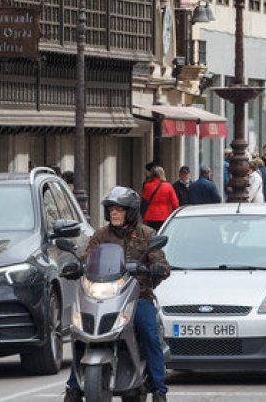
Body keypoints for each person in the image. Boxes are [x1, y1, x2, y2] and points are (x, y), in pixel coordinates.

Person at [62, 187, 170, 402]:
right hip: (103, 296)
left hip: (138, 296)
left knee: (149, 334)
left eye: (119, 209)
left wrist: (157, 268)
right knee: (80, 333)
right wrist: (76, 266)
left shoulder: (147, 234)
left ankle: (159, 389)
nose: (114, 213)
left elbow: (161, 261)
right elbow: (88, 257)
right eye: (111, 209)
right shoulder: (101, 235)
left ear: (131, 212)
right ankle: (73, 387)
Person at [141, 166, 179, 231]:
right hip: (164, 216)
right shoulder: (168, 186)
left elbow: (144, 201)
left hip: (150, 216)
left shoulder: (147, 186)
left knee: (151, 234)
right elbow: (175, 204)